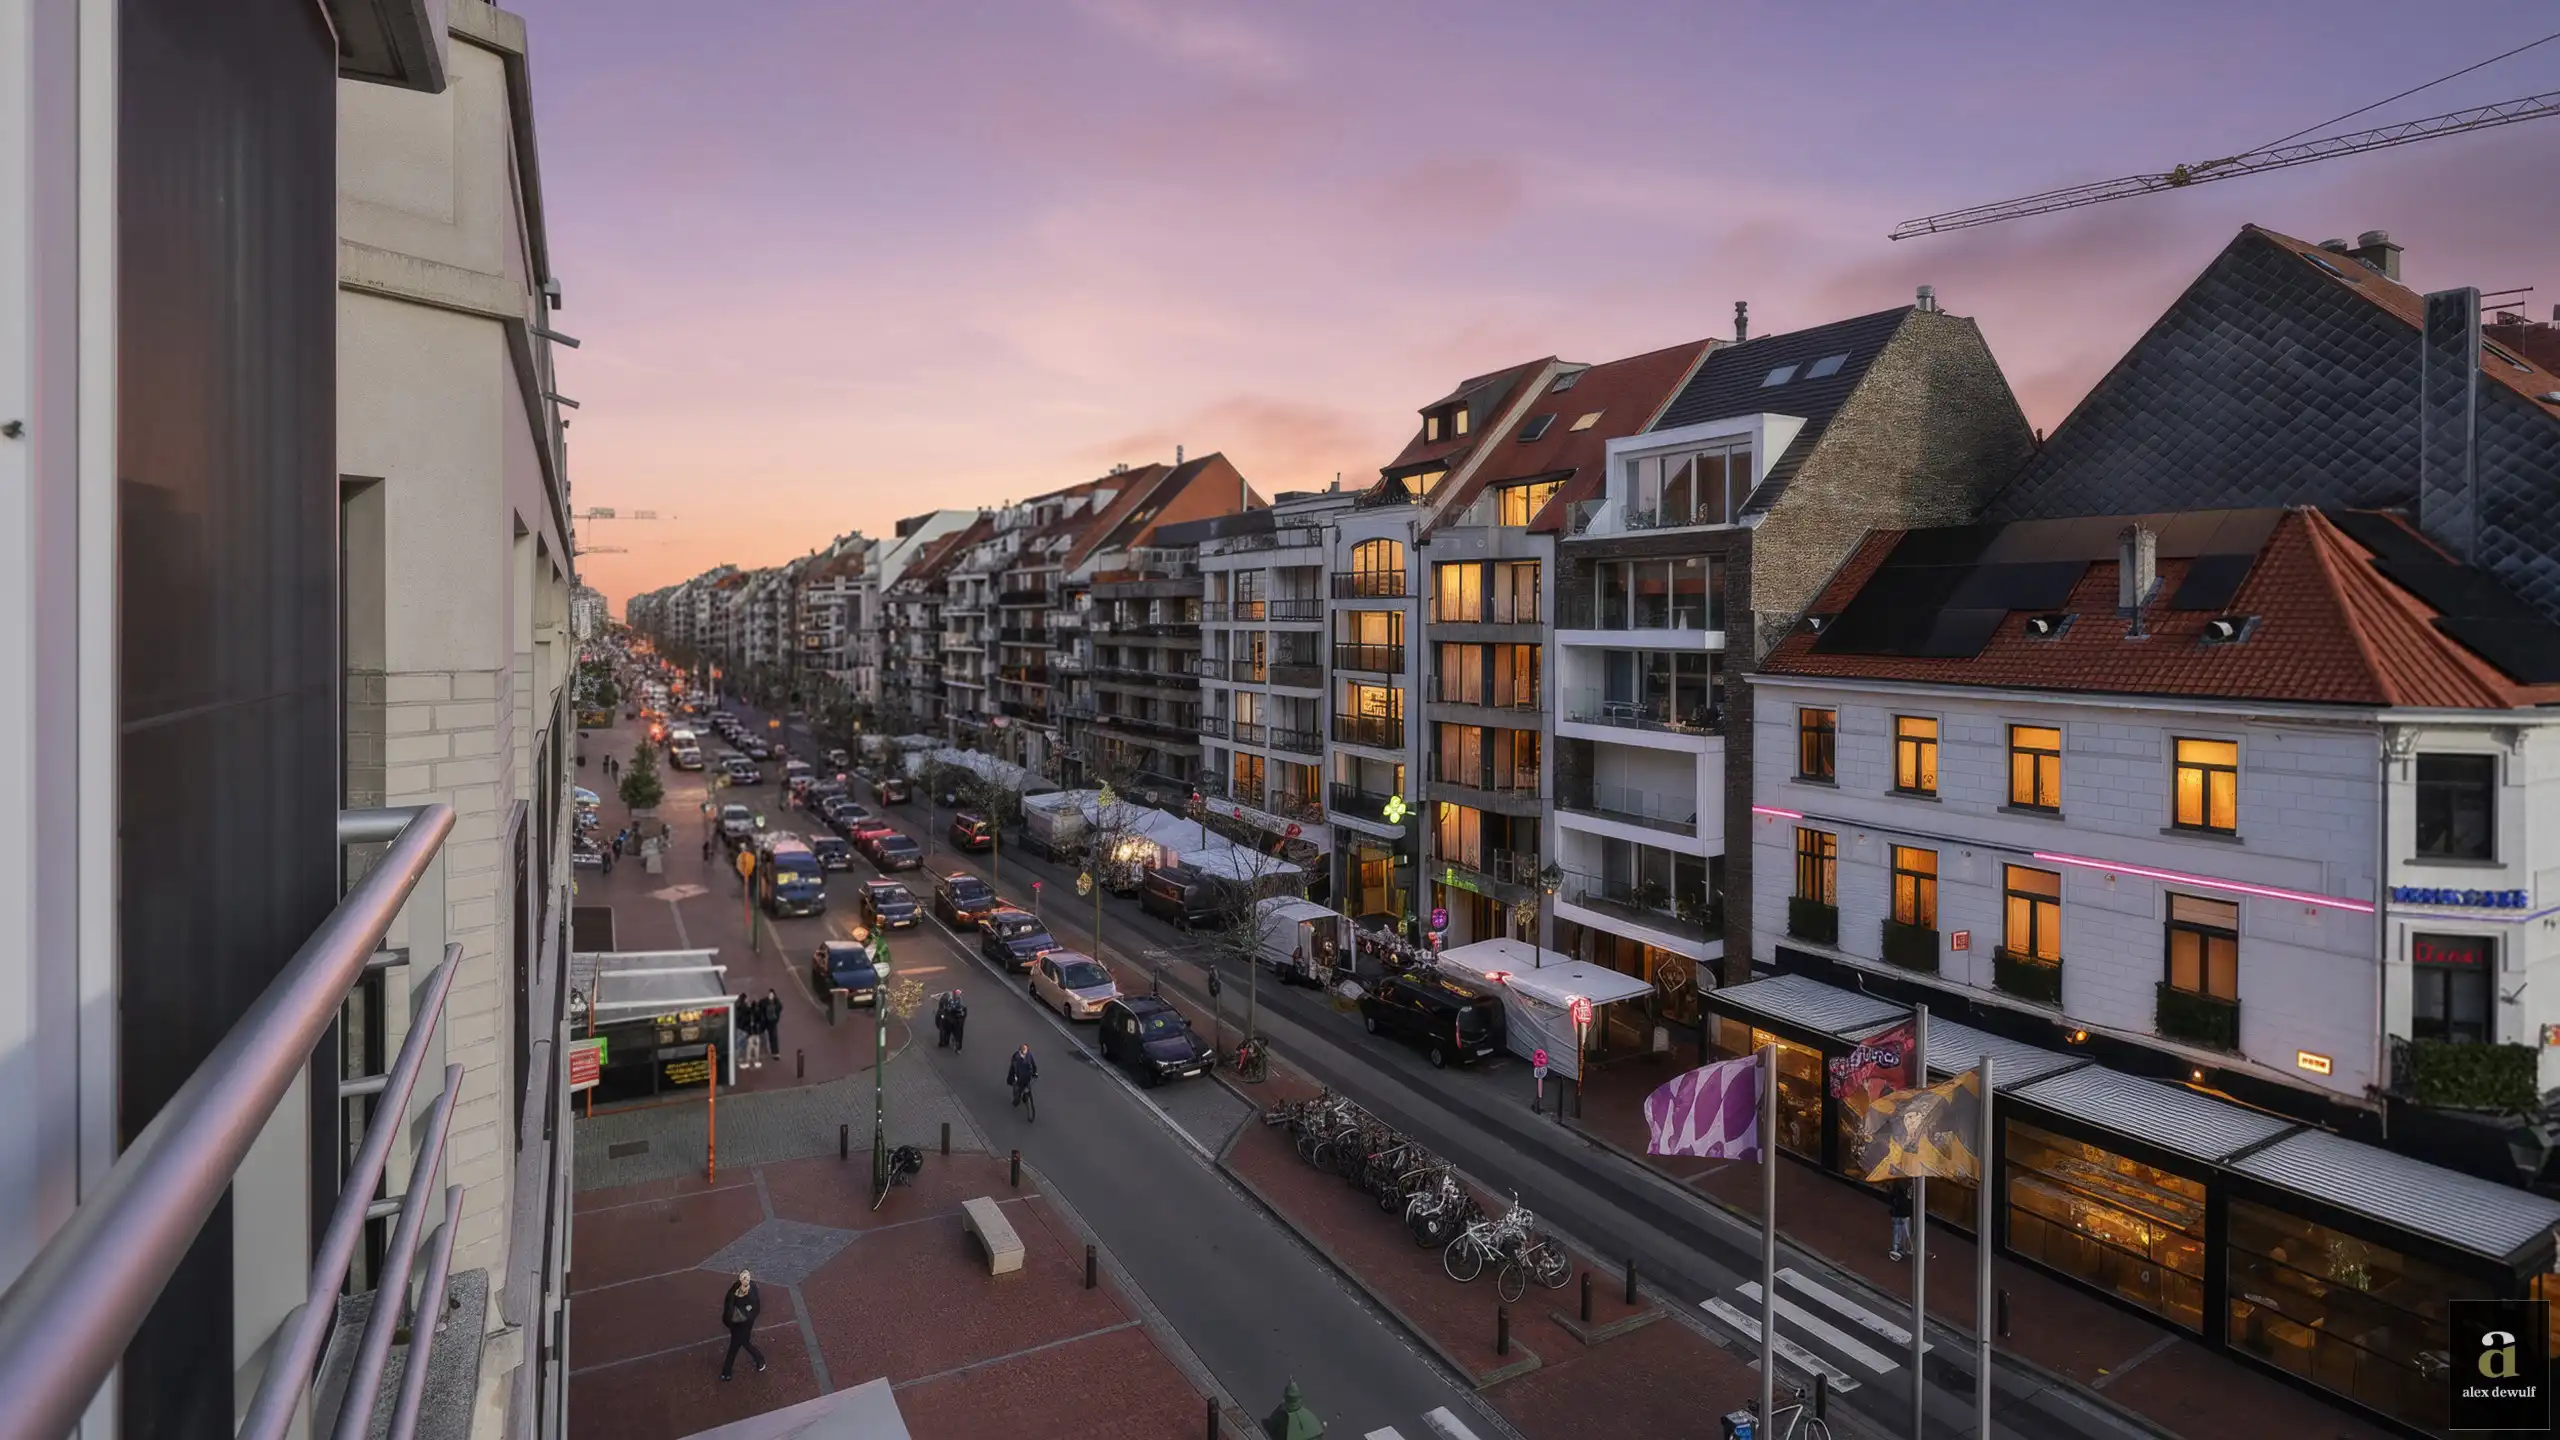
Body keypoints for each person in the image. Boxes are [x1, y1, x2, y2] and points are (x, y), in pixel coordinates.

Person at [717, 1270, 766, 1380]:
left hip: (743, 1326)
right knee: (745, 1344)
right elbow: (729, 1300)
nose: (745, 1280)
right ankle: (760, 1360)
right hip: (735, 1324)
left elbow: (754, 1309)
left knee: (733, 1349)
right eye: (743, 1278)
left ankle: (726, 1373)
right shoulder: (736, 1287)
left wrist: (743, 1317)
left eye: (746, 1278)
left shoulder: (751, 1293)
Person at [1887, 1179, 1915, 1262]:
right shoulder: (1910, 1187)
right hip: (1904, 1213)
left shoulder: (1897, 1186)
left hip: (1897, 1212)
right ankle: (1902, 1249)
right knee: (1904, 1231)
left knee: (1897, 1231)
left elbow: (1891, 1198)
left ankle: (1896, 1249)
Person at [737, 993, 764, 1068]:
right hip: (754, 1032)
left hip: (750, 1032)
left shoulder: (746, 1010)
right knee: (754, 1046)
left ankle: (748, 1061)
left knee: (750, 1046)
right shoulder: (754, 1013)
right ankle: (755, 1061)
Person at [1007, 1043, 1037, 1108]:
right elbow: (1014, 1067)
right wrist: (1015, 1075)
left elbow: (1033, 1063)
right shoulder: (1016, 1056)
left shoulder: (1029, 1055)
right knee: (1019, 1089)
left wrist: (1035, 1072)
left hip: (1026, 1075)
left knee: (1028, 1086)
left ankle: (1025, 1097)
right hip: (1019, 1075)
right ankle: (1016, 1099)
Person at [761, 989, 783, 1066]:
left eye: (771, 995)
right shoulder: (764, 1001)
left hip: (772, 1022)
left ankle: (775, 1053)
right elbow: (760, 1006)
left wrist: (776, 1017)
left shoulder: (777, 1002)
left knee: (773, 1036)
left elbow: (780, 1007)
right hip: (765, 1022)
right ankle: (763, 1051)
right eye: (769, 995)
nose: (770, 996)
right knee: (762, 1035)